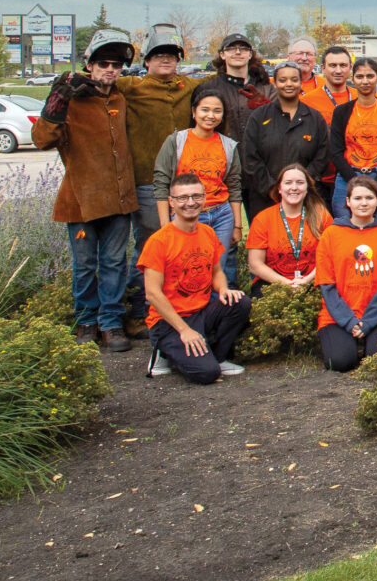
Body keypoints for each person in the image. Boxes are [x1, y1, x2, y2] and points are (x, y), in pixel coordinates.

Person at [35, 28, 141, 350]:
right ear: (90, 65)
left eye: (116, 65)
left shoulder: (121, 97)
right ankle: (86, 322)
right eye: (103, 63)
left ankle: (110, 323)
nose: (111, 69)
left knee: (114, 264)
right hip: (81, 202)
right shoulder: (72, 99)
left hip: (120, 201)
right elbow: (41, 139)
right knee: (84, 266)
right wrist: (57, 101)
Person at [139, 174, 252, 382]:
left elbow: (216, 271)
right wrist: (184, 330)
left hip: (200, 312)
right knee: (206, 374)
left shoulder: (207, 233)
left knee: (240, 303)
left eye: (196, 196)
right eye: (182, 198)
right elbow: (152, 293)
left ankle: (216, 357)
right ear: (171, 202)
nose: (190, 203)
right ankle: (163, 353)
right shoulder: (159, 242)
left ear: (204, 198)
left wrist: (224, 290)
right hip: (169, 321)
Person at [116, 23, 197, 261]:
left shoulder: (189, 86)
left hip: (184, 180)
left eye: (171, 55)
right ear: (146, 61)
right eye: (159, 54)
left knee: (185, 240)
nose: (166, 59)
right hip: (146, 181)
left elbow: (222, 78)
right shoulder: (131, 88)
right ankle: (141, 292)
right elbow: (96, 79)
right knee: (151, 240)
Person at [313, 175, 377, 372]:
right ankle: (351, 342)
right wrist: (349, 321)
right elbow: (327, 285)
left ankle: (366, 340)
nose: (363, 203)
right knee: (339, 362)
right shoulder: (331, 234)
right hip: (338, 315)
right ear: (347, 201)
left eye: (369, 197)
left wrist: (368, 322)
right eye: (357, 198)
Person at [153, 87, 244, 283]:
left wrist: (237, 225)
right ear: (194, 112)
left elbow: (234, 187)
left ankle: (221, 308)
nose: (210, 115)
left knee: (219, 266)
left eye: (217, 111)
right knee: (191, 266)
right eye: (205, 110)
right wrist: (164, 225)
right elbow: (161, 184)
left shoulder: (228, 145)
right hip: (187, 213)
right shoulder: (176, 141)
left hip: (221, 215)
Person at [241, 63, 330, 218]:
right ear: (274, 83)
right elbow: (250, 157)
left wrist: (301, 186)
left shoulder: (314, 118)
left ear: (301, 83)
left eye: (294, 80)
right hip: (265, 199)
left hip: (305, 198)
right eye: (283, 80)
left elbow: (322, 156)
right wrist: (273, 189)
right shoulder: (259, 117)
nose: (289, 84)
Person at [326, 57, 377, 224]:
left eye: (370, 76)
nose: (365, 81)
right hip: (347, 179)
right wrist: (354, 179)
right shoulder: (342, 112)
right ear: (352, 79)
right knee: (345, 230)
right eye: (360, 77)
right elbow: (336, 151)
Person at [245, 164, 330, 291]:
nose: (294, 187)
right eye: (288, 183)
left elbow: (330, 256)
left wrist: (306, 281)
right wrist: (287, 284)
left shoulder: (321, 215)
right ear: (279, 188)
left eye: (300, 183)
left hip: (313, 280)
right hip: (273, 283)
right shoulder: (263, 219)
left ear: (307, 188)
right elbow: (255, 265)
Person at [204, 32, 270, 140]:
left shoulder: (266, 88)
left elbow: (277, 123)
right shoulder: (209, 89)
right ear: (222, 54)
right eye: (231, 48)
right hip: (221, 153)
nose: (238, 52)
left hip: (257, 154)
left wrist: (267, 108)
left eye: (243, 48)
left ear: (250, 54)